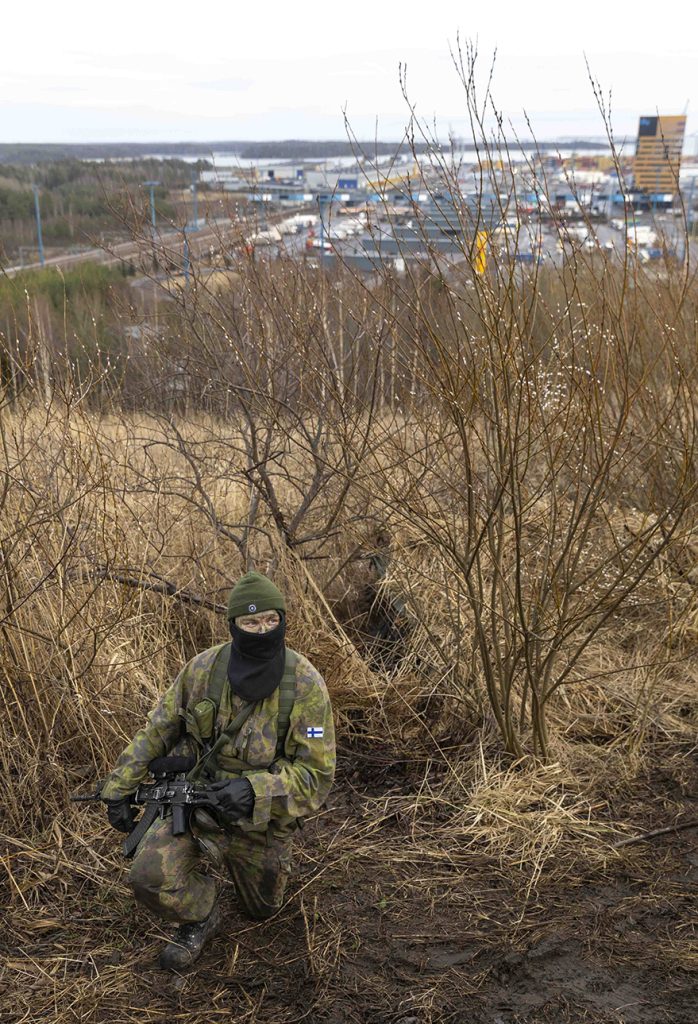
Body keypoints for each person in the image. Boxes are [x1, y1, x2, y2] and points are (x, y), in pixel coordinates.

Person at [99, 571, 336, 970]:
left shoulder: (305, 684)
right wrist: (119, 787)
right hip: (198, 807)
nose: (262, 630)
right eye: (250, 622)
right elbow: (157, 729)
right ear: (233, 625)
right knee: (148, 877)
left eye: (270, 621)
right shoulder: (203, 670)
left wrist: (254, 789)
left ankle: (248, 864)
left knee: (262, 910)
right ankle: (202, 913)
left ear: (281, 620)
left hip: (259, 822)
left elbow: (316, 777)